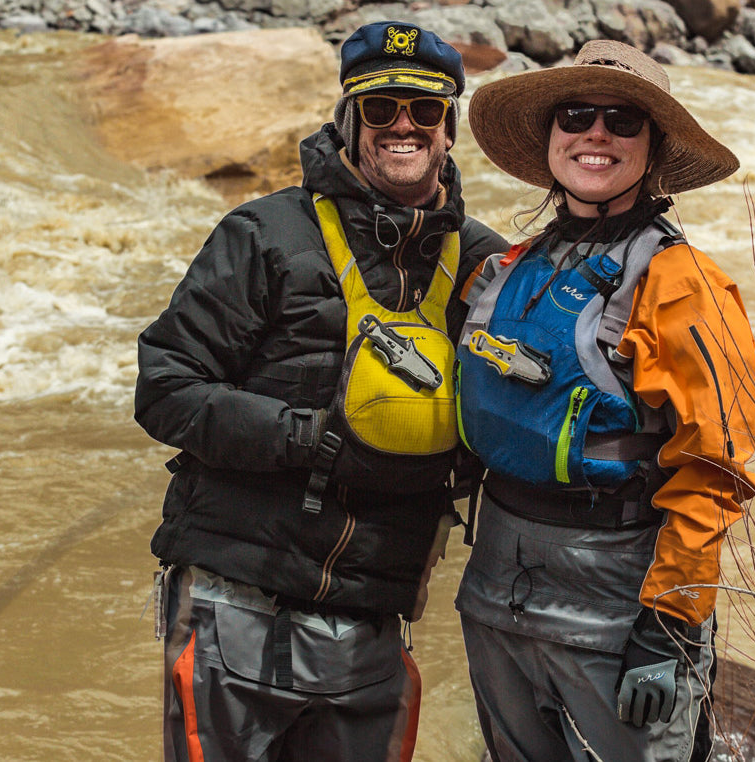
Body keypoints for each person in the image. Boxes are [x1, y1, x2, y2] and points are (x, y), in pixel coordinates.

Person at [133, 20, 509, 762]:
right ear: (348, 121)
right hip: (233, 607)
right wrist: (304, 437)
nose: (402, 126)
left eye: (424, 111)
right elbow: (165, 387)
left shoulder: (486, 266)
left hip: (372, 627)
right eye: (380, 109)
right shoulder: (264, 235)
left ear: (449, 129)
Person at [453, 40, 755, 761]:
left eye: (623, 120)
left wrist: (670, 625)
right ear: (551, 135)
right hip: (497, 591)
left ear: (653, 150)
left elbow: (717, 471)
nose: (596, 134)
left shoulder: (682, 282)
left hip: (618, 609)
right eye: (577, 114)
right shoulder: (509, 267)